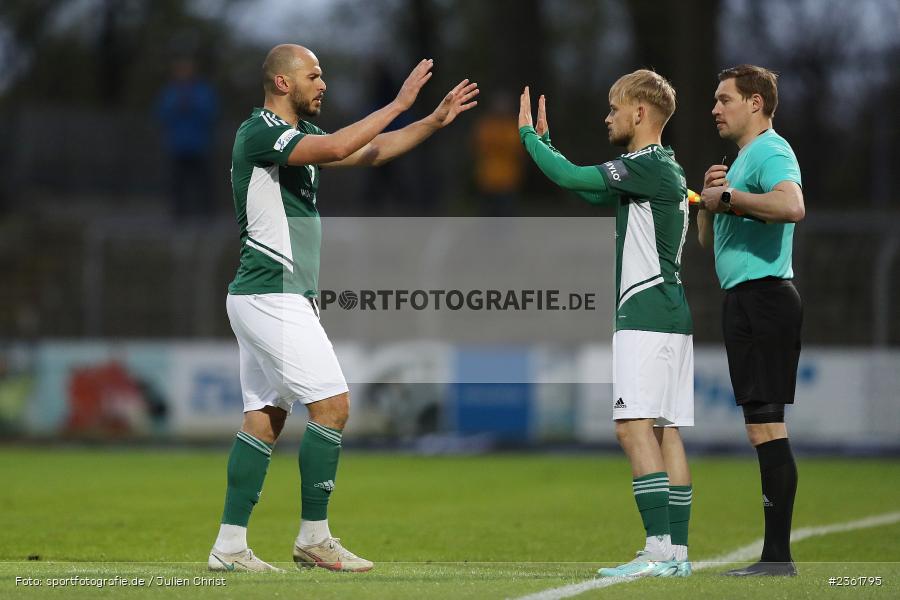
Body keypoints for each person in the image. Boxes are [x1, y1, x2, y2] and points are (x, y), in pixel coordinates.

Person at [208, 44, 478, 573]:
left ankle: (230, 546)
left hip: (267, 296)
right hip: (271, 293)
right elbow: (336, 150)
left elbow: (369, 151)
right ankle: (314, 538)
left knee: (264, 419)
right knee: (332, 407)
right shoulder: (259, 131)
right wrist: (398, 101)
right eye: (315, 75)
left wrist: (431, 121)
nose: (323, 83)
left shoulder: (295, 137)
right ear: (282, 83)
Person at [518, 70, 694, 578]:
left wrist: (530, 139)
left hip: (644, 314)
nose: (607, 117)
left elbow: (573, 177)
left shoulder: (646, 165)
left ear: (640, 113)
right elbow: (594, 192)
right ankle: (676, 553)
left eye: (614, 109)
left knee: (632, 426)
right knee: (666, 431)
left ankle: (658, 548)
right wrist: (549, 145)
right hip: (669, 312)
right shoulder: (661, 168)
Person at [698, 64, 805, 577]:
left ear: (755, 104)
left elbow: (793, 205)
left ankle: (778, 558)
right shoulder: (740, 160)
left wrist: (732, 199)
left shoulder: (770, 150)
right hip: (743, 300)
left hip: (765, 298)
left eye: (724, 99)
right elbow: (707, 243)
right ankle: (775, 558)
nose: (715, 109)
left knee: (768, 425)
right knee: (760, 428)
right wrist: (707, 203)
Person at [156, 57, 218, 218]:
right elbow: (161, 114)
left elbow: (212, 113)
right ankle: (179, 213)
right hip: (177, 145)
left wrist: (192, 106)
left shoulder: (203, 91)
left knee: (203, 180)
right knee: (177, 181)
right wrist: (177, 107)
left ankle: (207, 213)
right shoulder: (170, 92)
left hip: (199, 144)